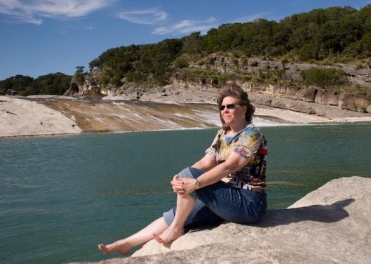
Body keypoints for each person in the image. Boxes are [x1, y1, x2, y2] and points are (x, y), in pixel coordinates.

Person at [98, 83, 268, 255]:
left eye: (231, 106)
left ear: (244, 108)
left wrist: (195, 183)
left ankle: (176, 229)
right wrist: (181, 178)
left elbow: (231, 165)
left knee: (189, 184)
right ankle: (127, 243)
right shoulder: (222, 134)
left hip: (249, 203)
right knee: (180, 210)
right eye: (222, 107)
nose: (225, 110)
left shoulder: (251, 134)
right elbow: (205, 162)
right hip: (227, 199)